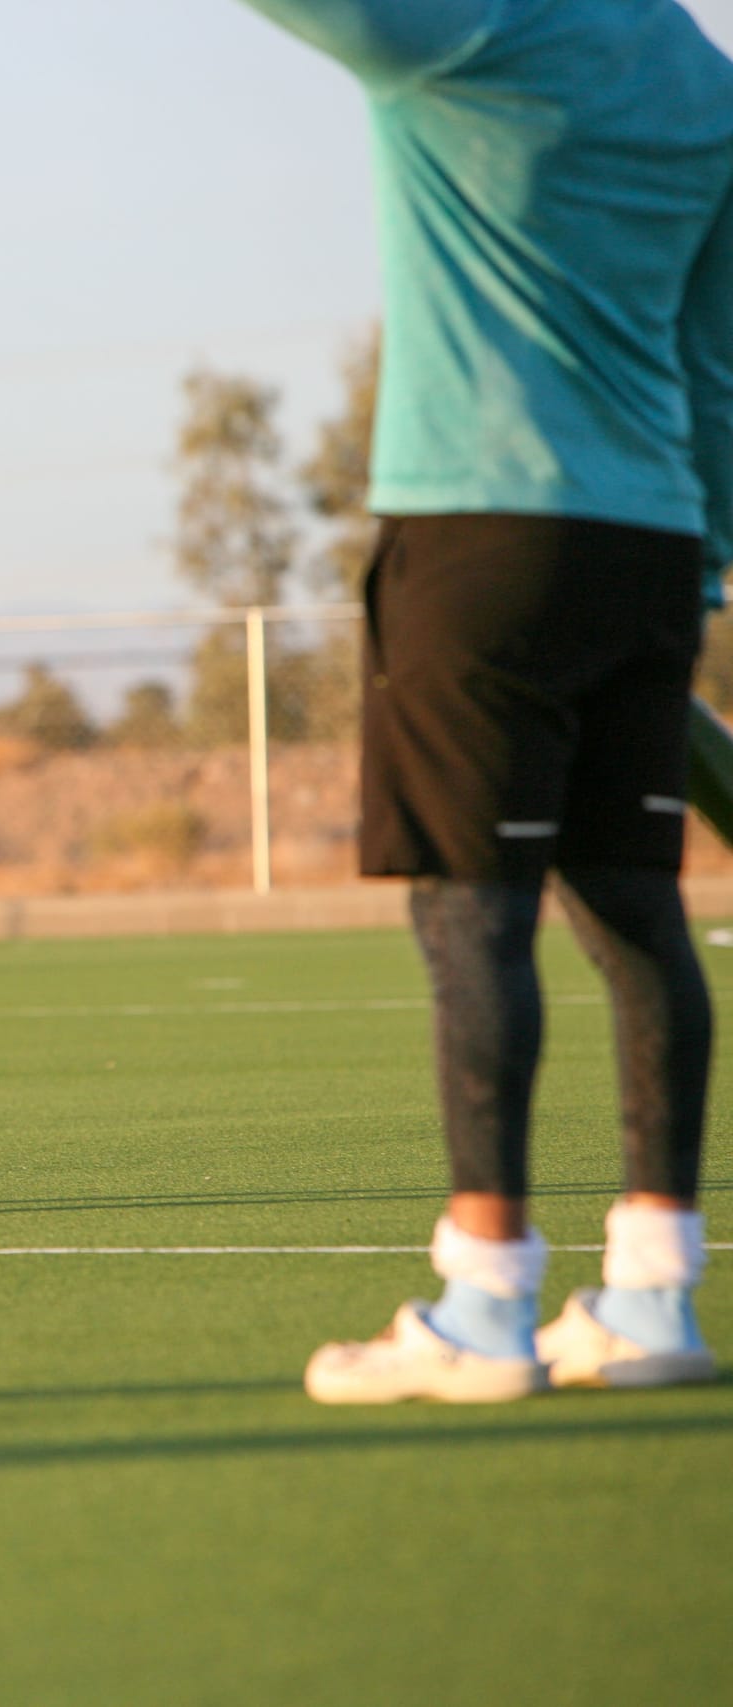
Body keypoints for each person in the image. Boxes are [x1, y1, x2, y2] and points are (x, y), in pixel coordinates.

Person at [232, 0, 733, 1402]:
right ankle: (653, 1297)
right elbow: (716, 368)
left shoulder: (472, 29)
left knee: (472, 910)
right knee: (638, 912)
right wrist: (700, 568)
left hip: (478, 533)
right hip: (648, 543)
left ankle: (486, 1304)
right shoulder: (704, 80)